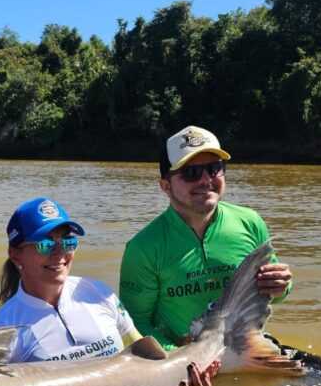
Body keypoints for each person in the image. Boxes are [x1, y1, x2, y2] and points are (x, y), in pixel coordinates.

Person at [0, 196, 217, 386]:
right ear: (16, 254)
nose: (59, 254)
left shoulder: (97, 292)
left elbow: (145, 352)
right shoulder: (4, 328)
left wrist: (187, 371)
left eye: (68, 242)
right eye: (45, 245)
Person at [119, 126, 293, 350]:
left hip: (249, 348)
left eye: (214, 168)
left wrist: (281, 287)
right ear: (165, 186)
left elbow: (275, 295)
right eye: (191, 173)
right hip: (183, 359)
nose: (205, 180)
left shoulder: (250, 222)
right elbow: (135, 324)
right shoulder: (143, 247)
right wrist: (183, 357)